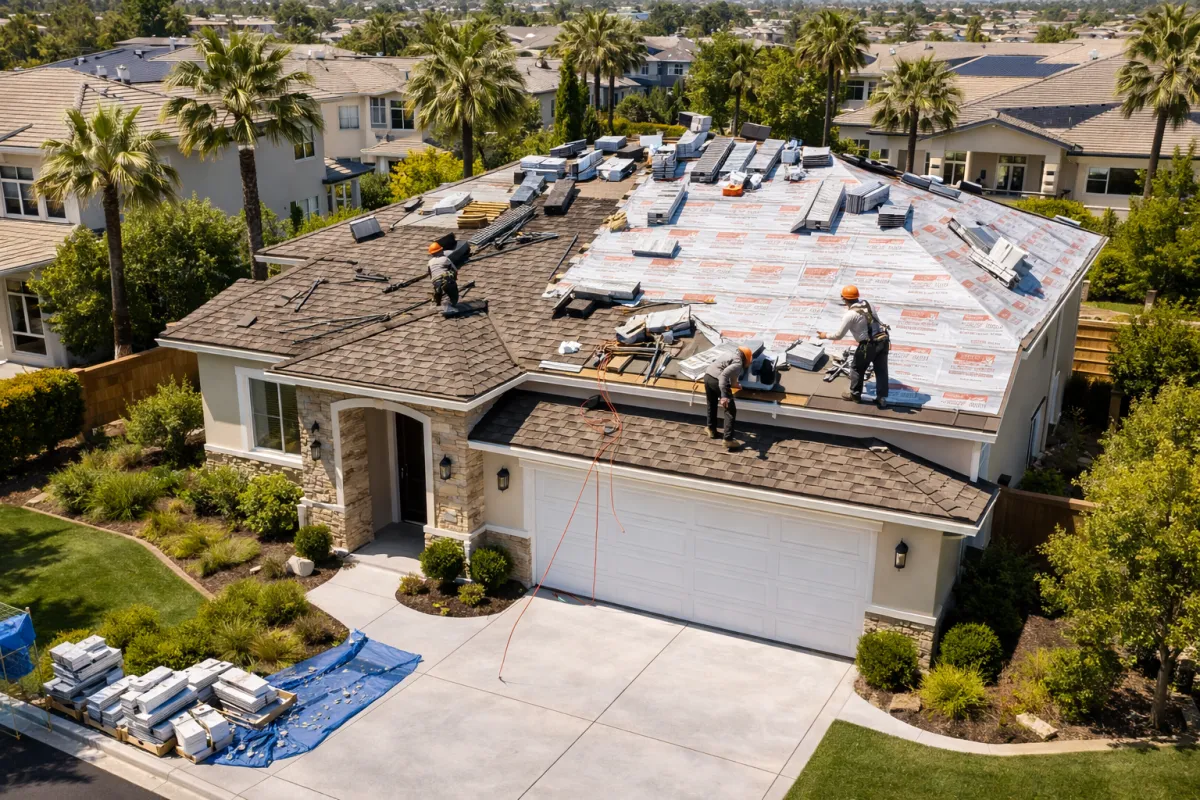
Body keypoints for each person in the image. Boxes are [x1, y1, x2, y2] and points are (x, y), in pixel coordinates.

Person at [818, 285, 891, 409]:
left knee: (857, 368)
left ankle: (855, 395)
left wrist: (825, 335)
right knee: (881, 370)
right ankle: (881, 398)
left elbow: (838, 335)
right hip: (883, 340)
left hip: (868, 345)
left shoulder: (850, 315)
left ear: (843, 299)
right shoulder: (869, 304)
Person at [704, 345, 754, 450]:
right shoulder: (738, 363)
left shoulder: (731, 355)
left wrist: (735, 384)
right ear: (746, 358)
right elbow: (723, 376)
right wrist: (724, 396)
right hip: (718, 381)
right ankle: (728, 440)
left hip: (708, 377)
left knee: (711, 402)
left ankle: (711, 429)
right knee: (730, 410)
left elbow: (732, 374)